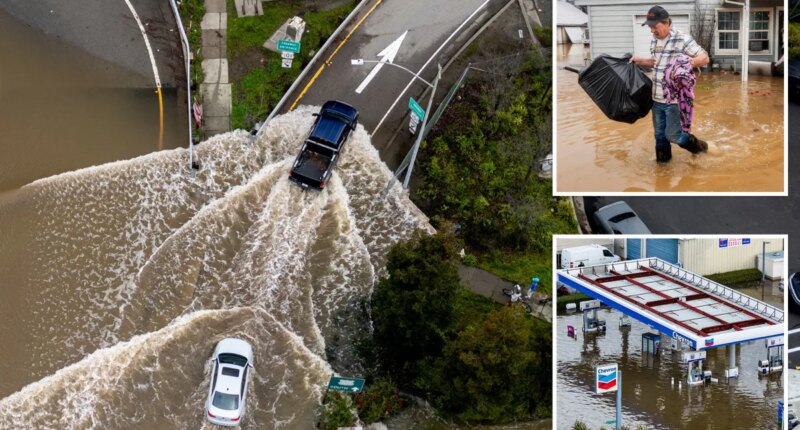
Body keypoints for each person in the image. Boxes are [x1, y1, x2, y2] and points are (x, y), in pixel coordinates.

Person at [630, 6, 710, 163]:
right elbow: (656, 62)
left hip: (674, 100)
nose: (652, 30)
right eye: (650, 27)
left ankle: (702, 148)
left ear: (667, 23)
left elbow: (705, 58)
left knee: (674, 136)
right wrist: (639, 60)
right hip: (656, 98)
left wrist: (684, 64)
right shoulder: (655, 40)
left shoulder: (682, 39)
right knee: (659, 136)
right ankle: (663, 168)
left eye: (655, 26)